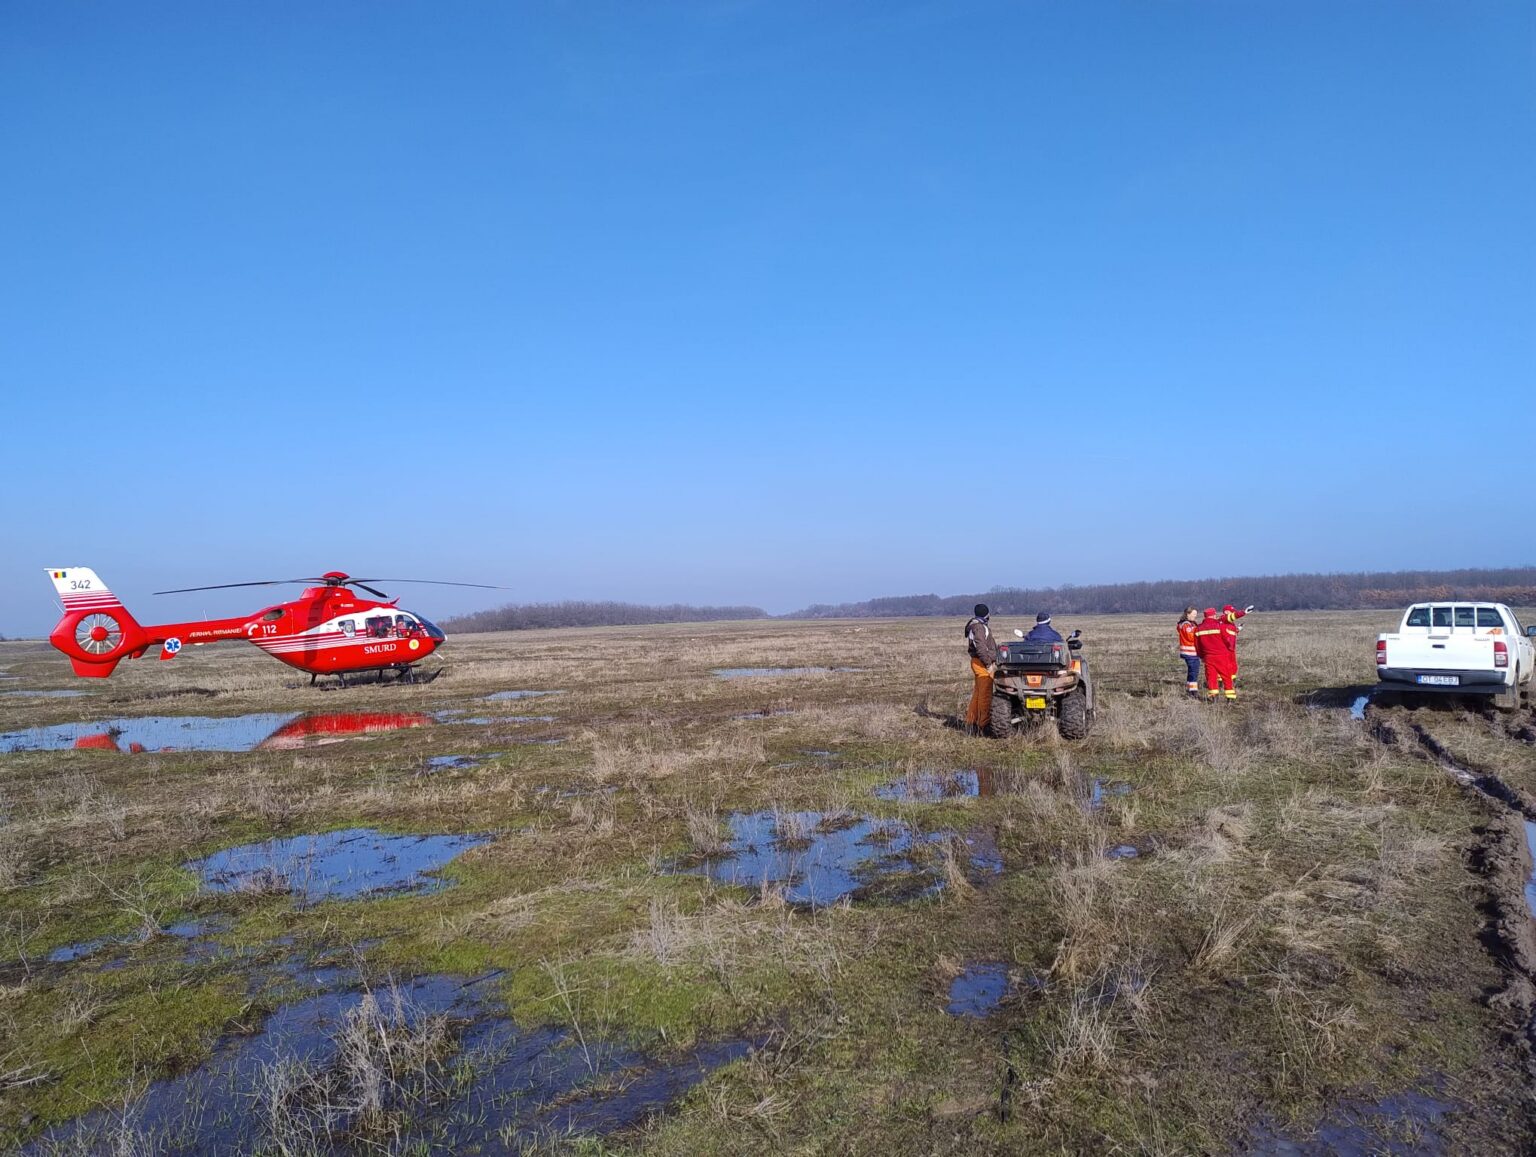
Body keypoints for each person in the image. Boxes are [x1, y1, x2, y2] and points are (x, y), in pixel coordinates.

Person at [963, 603, 999, 735]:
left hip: (978, 662)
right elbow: (981, 648)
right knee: (985, 695)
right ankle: (984, 725)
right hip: (982, 664)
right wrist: (989, 664)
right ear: (986, 614)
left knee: (978, 695)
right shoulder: (979, 627)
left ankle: (971, 723)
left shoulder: (976, 625)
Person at [1193, 607, 1236, 702]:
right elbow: (1227, 640)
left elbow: (1197, 646)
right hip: (1221, 655)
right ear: (1213, 615)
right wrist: (1229, 649)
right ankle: (1230, 698)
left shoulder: (1198, 628)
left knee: (1211, 677)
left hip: (1208, 657)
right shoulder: (1220, 625)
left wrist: (1202, 656)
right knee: (1226, 676)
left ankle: (1214, 698)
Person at [1176, 607, 1200, 697]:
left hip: (1191, 652)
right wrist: (1199, 631)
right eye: (1193, 614)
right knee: (1194, 671)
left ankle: (1190, 689)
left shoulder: (1188, 624)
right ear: (1188, 614)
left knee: (1192, 671)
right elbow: (1190, 637)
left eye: (1196, 615)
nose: (1195, 616)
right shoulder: (1186, 625)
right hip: (1190, 652)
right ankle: (1193, 691)